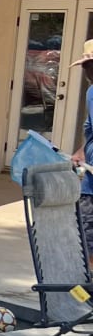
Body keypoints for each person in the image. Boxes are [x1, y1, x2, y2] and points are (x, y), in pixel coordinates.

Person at [70, 39, 93, 259]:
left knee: (88, 235)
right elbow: (90, 129)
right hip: (90, 184)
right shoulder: (91, 92)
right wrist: (81, 152)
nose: (86, 71)